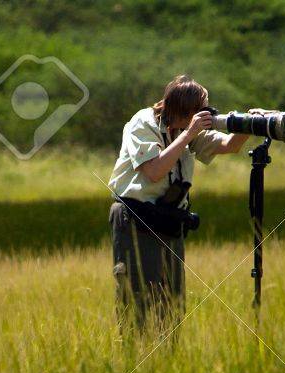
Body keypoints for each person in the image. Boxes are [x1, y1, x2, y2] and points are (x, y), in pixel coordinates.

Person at [108, 75, 260, 334]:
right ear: (183, 110)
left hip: (169, 219)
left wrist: (251, 124)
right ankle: (135, 353)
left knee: (172, 303)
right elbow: (153, 171)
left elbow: (229, 145)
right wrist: (190, 132)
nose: (208, 114)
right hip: (136, 218)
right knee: (138, 300)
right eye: (202, 109)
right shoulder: (142, 123)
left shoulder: (186, 131)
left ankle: (169, 353)